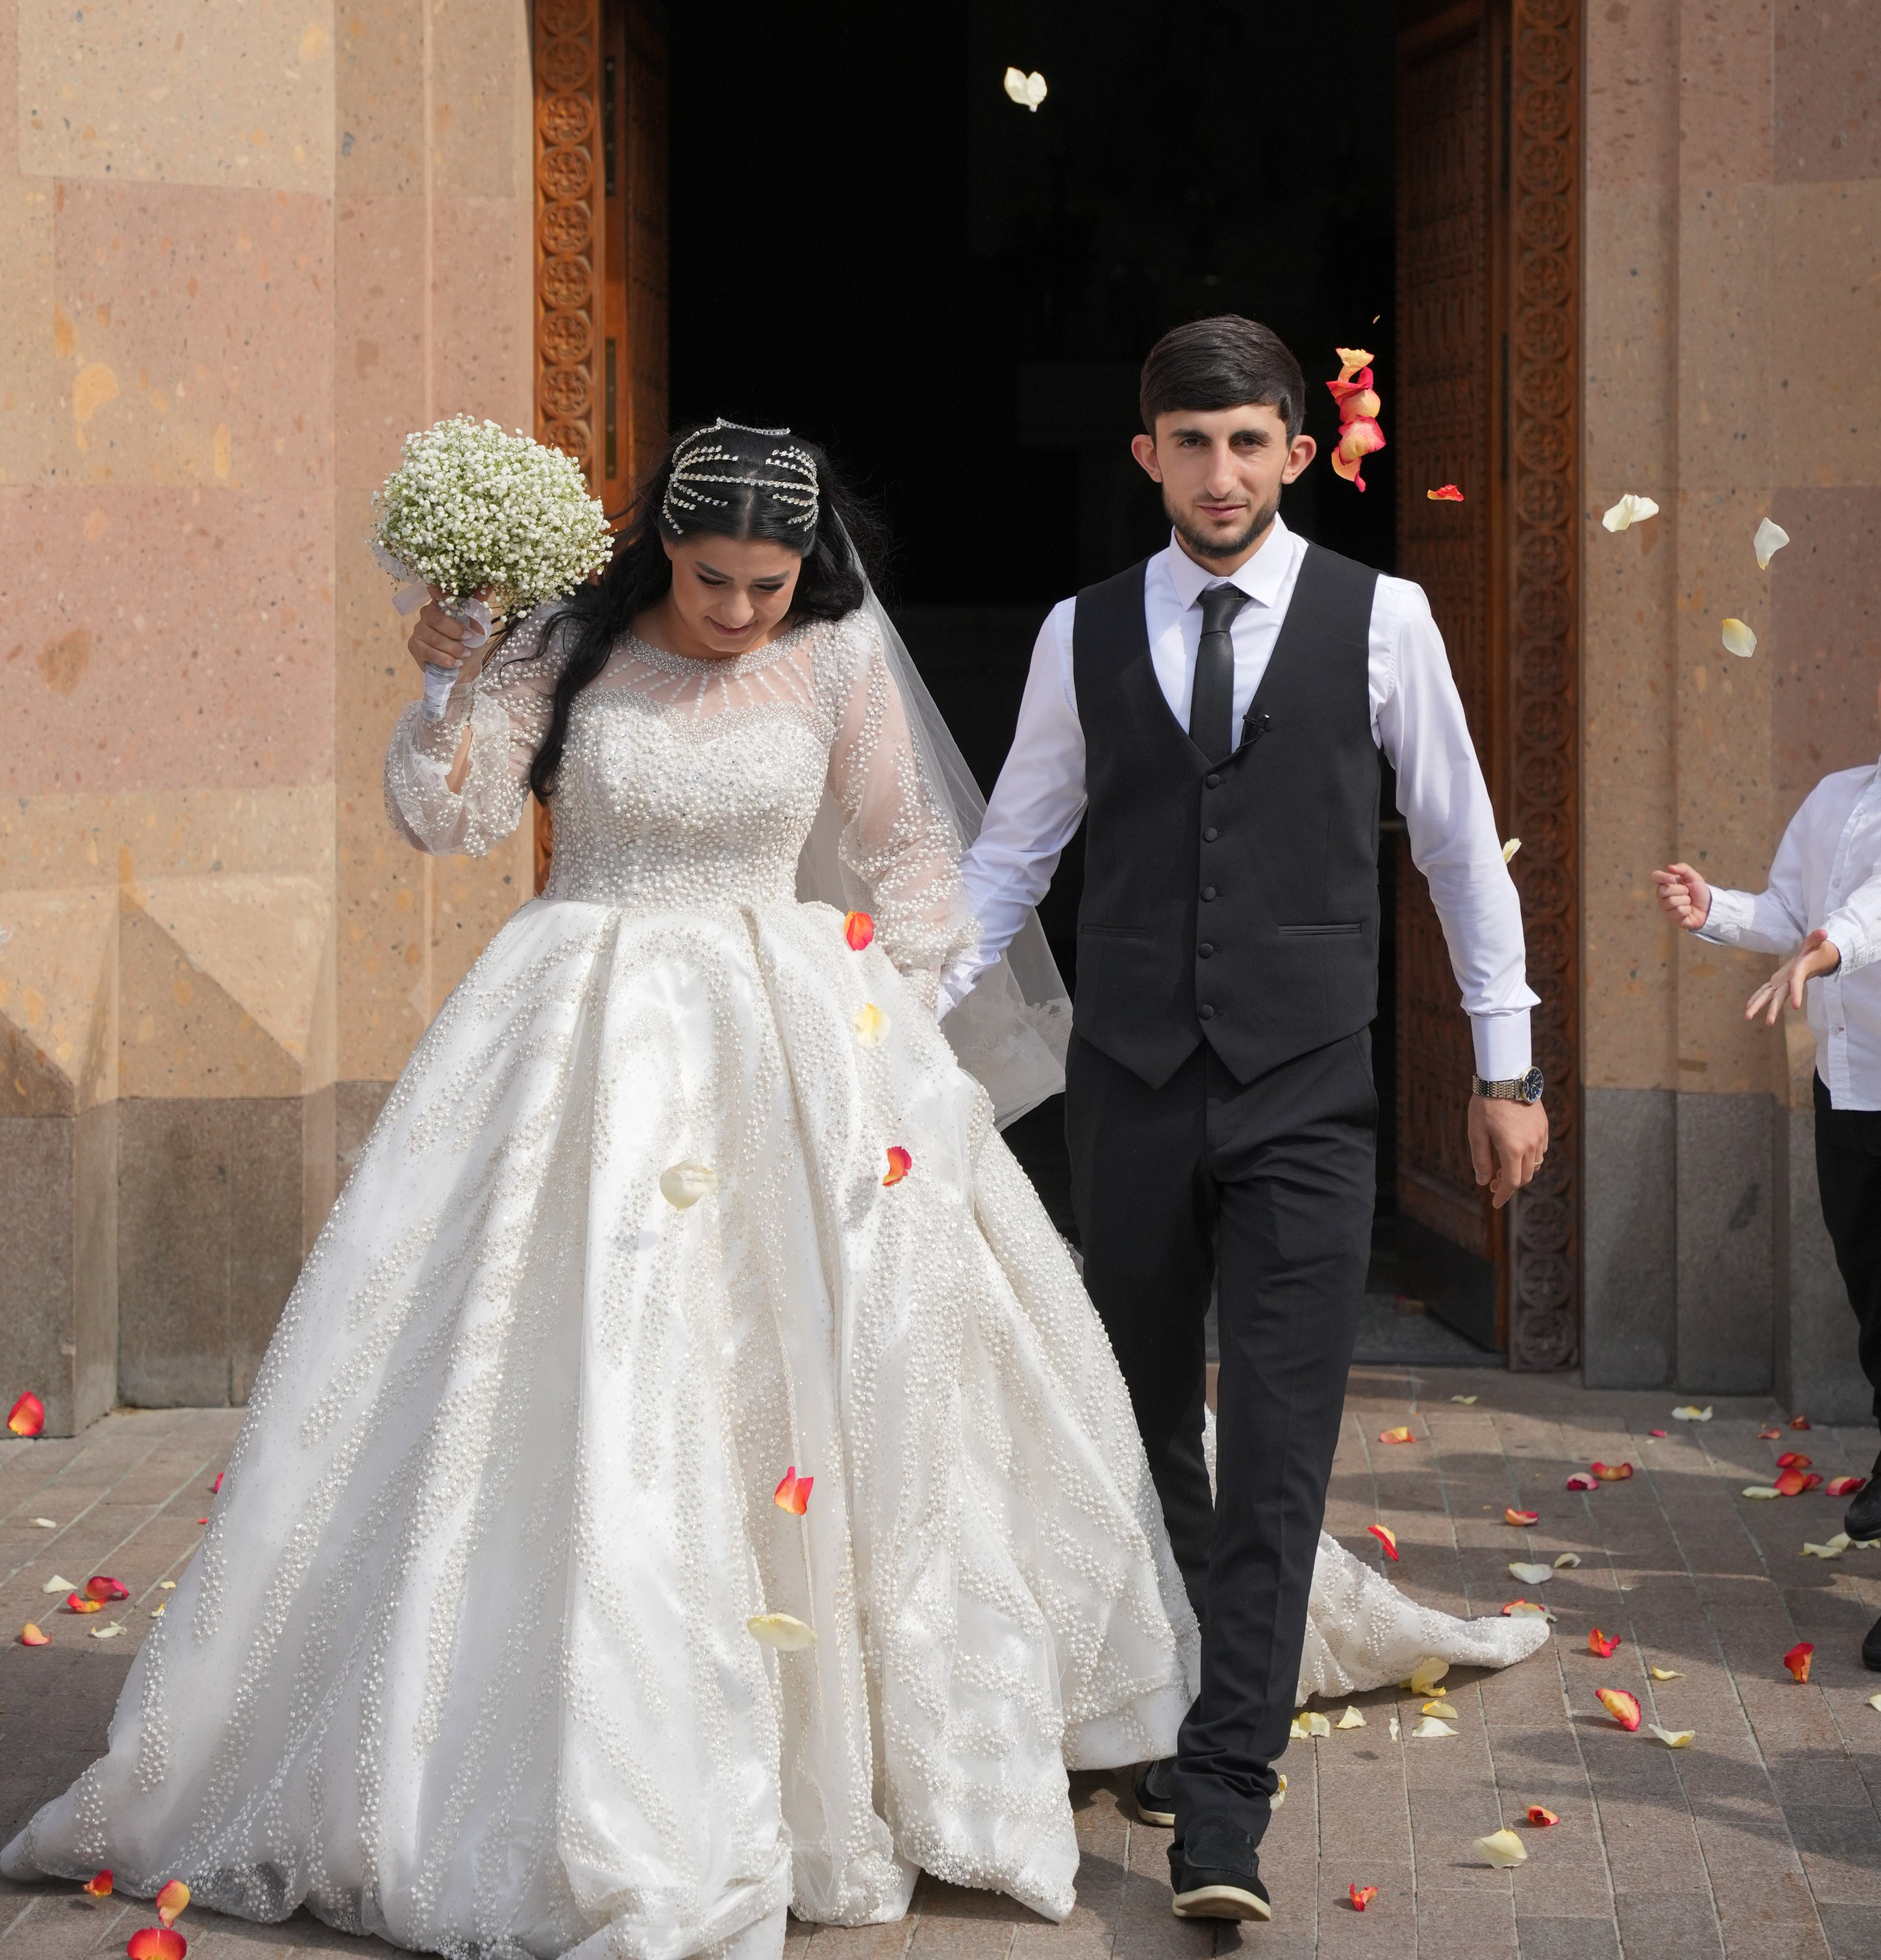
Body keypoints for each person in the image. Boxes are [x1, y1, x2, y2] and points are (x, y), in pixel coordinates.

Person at [4, 414, 1546, 1960]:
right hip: (581, 1027)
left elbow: (918, 864)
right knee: (585, 1376)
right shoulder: (569, 647)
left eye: (768, 581)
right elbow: (448, 816)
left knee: (811, 1377)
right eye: (712, 578)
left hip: (789, 1028)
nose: (740, 608)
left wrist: (888, 1025)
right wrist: (447, 679)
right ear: (655, 551)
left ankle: (865, 1731)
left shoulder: (829, 660)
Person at [940, 315, 1550, 1924]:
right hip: (1128, 1094)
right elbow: (1010, 858)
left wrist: (1506, 1070)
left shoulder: (1380, 617)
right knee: (1142, 1431)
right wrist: (883, 1026)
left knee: (1275, 1450)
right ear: (1146, 454)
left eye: (1247, 442)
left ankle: (1224, 1802)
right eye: (1188, 444)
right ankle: (1171, 1705)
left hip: (1303, 1097)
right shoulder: (1080, 631)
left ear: (1296, 448)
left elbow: (1456, 849)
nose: (1219, 473)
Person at [1655, 693, 1881, 1665]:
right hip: (1850, 1089)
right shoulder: (1839, 796)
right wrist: (1720, 914)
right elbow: (1793, 910)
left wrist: (1826, 950)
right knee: (1873, 1302)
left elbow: (1864, 914)